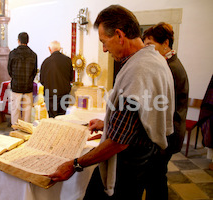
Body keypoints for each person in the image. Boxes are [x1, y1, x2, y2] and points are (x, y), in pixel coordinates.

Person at [49, 5, 175, 200]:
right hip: (147, 154)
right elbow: (143, 114)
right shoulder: (155, 59)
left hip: (129, 164)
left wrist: (74, 165)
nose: (104, 49)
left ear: (119, 35)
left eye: (104, 41)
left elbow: (118, 142)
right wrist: (107, 123)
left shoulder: (138, 70)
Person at [142, 22, 189, 199]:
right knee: (155, 177)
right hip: (166, 133)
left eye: (149, 45)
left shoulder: (171, 68)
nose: (146, 50)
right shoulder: (167, 63)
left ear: (166, 43)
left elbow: (164, 107)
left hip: (168, 134)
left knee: (155, 178)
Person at [7, 32, 37, 125]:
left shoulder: (13, 53)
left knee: (15, 109)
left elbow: (9, 69)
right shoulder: (33, 55)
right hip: (28, 86)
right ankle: (26, 129)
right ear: (28, 41)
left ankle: (16, 129)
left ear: (18, 41)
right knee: (27, 110)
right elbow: (34, 71)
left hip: (16, 86)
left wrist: (15, 78)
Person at [40, 41, 73, 118]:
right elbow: (71, 78)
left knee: (52, 118)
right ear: (60, 48)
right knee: (62, 118)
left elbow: (42, 81)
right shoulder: (68, 60)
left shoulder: (46, 62)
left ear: (49, 49)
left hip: (51, 95)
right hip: (64, 94)